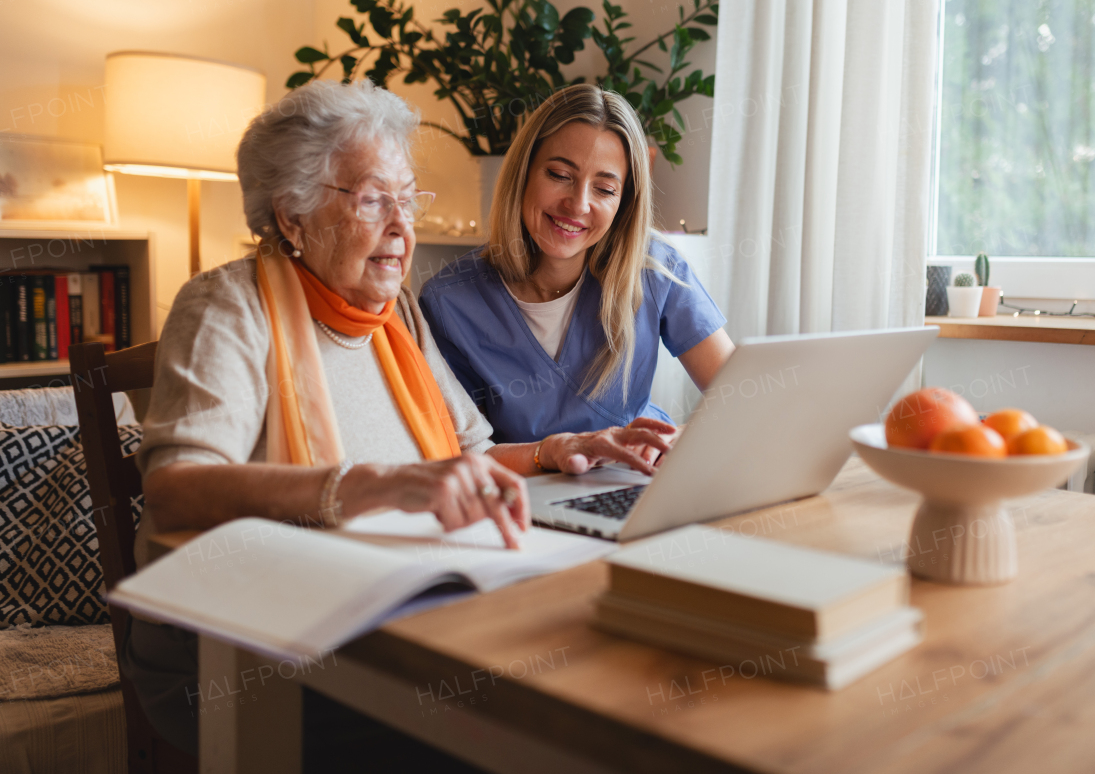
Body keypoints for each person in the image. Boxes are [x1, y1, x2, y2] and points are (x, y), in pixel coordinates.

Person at [122, 78, 674, 763]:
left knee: (603, 677)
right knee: (526, 735)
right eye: (374, 200)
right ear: (292, 216)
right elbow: (178, 485)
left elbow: (470, 454)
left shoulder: (397, 317)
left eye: (407, 198)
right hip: (239, 652)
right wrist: (366, 483)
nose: (402, 226)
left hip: (398, 619)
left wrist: (562, 446)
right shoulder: (228, 306)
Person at [419, 85, 734, 465]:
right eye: (559, 174)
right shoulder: (449, 302)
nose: (578, 204)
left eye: (604, 188)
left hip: (644, 479)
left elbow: (740, 395)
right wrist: (548, 456)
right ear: (524, 173)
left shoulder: (654, 270)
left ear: (624, 202)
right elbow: (457, 455)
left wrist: (674, 442)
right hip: (527, 498)